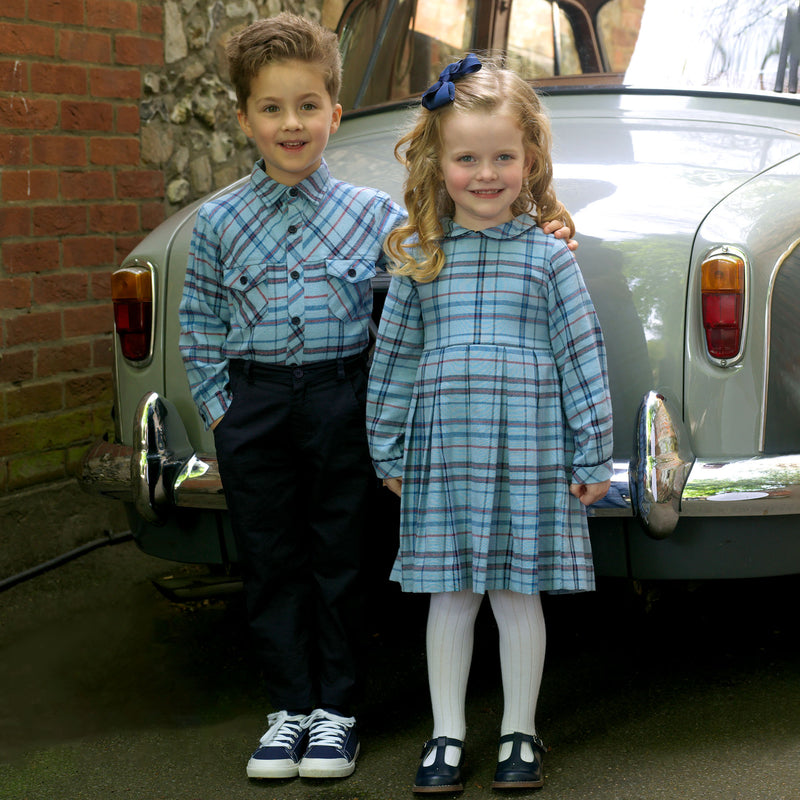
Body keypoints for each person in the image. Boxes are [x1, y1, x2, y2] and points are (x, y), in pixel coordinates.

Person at [179, 13, 576, 783]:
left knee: (341, 558)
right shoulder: (218, 220)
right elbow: (198, 320)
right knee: (270, 560)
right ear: (243, 118)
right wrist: (221, 410)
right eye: (270, 108)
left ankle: (337, 716)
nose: (290, 124)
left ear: (333, 112)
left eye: (306, 107)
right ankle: (288, 708)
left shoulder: (376, 218)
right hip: (255, 407)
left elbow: (458, 234)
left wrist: (545, 223)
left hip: (339, 400)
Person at [366, 54, 613, 793]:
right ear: (437, 164)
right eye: (466, 158)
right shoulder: (423, 260)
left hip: (528, 450)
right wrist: (388, 446)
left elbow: (582, 357)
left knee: (516, 594)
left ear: (529, 159)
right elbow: (395, 360)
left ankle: (519, 732)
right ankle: (445, 733)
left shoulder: (548, 260)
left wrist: (593, 453)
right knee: (449, 594)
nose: (485, 173)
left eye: (503, 156)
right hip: (444, 453)